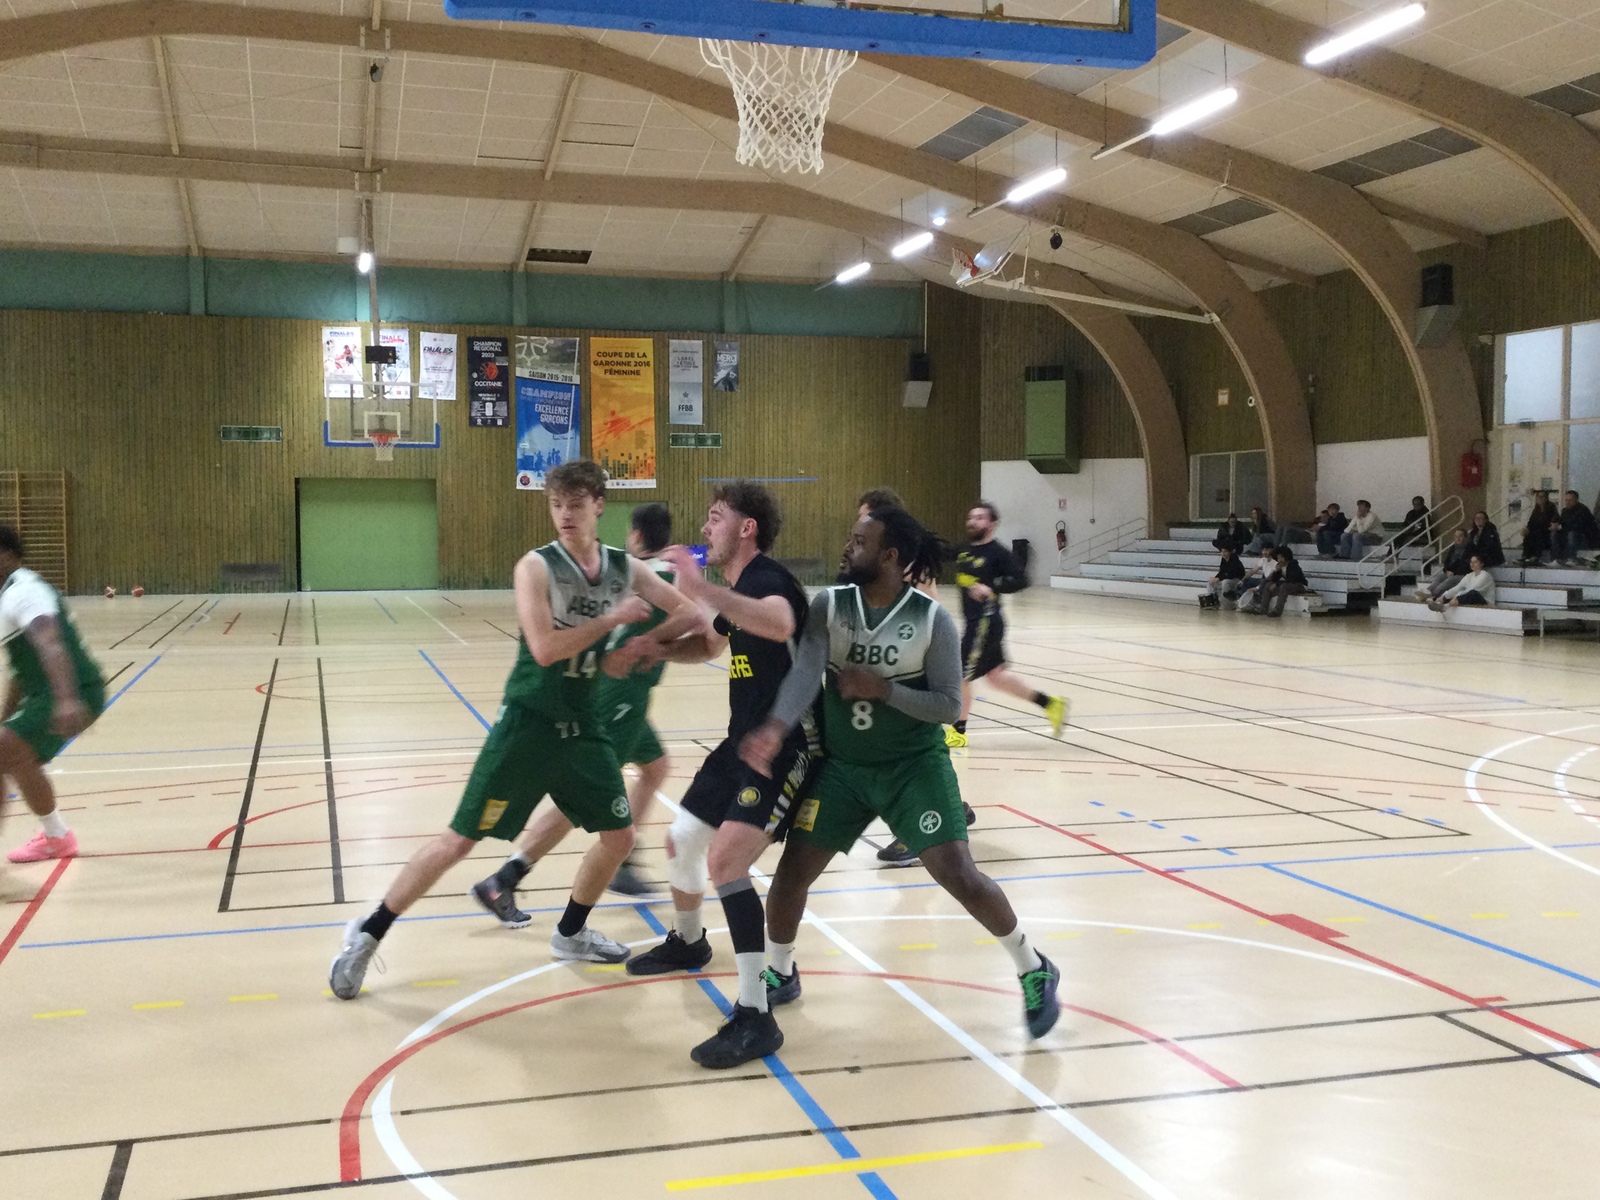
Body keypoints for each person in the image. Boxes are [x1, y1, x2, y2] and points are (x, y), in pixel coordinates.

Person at [328, 461, 699, 999]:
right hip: (528, 723)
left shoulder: (624, 568)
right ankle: (368, 932)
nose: (565, 515)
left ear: (599, 506)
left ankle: (570, 933)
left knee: (619, 837)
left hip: (583, 726)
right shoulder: (536, 567)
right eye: (556, 504)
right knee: (459, 841)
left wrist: (647, 644)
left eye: (576, 504)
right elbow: (545, 649)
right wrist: (612, 622)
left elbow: (690, 612)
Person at [741, 505, 1062, 1044]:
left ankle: (1034, 967)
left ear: (889, 556)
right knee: (791, 874)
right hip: (844, 769)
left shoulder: (932, 621)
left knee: (960, 875)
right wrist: (775, 726)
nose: (848, 547)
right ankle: (782, 970)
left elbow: (948, 707)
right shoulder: (829, 606)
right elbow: (805, 674)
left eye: (859, 541)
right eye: (852, 537)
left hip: (913, 766)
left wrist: (883, 689)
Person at [622, 482, 821, 1071]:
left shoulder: (769, 581)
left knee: (727, 861)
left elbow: (780, 624)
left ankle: (756, 1016)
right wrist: (659, 650)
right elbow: (710, 643)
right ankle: (689, 941)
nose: (706, 529)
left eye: (715, 518)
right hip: (739, 744)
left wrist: (699, 586)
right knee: (681, 840)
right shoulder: (738, 591)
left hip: (784, 748)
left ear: (746, 528)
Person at [470, 503, 679, 921]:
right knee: (584, 796)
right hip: (618, 696)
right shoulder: (660, 575)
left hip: (627, 698)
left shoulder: (639, 572)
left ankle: (625, 861)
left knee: (655, 768)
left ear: (636, 536)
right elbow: (699, 619)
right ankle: (506, 877)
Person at [0, 525, 104, 865]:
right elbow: (21, 669)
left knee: (5, 749)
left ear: (7, 555)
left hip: (73, 688)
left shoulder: (23, 591)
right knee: (6, 752)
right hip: (47, 693)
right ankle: (57, 836)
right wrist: (5, 717)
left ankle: (57, 836)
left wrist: (66, 698)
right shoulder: (9, 593)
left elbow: (50, 643)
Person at [947, 501, 1067, 745]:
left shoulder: (998, 553)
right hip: (977, 623)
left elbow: (1022, 579)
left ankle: (958, 733)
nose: (973, 522)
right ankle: (1050, 704)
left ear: (992, 524)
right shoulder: (964, 550)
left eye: (980, 517)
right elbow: (938, 551)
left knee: (959, 675)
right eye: (971, 517)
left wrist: (991, 587)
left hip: (985, 623)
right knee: (996, 678)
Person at [1414, 529, 1472, 601]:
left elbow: (1466, 565)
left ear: (1466, 537)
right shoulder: (1453, 548)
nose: (1457, 538)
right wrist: (1447, 570)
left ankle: (1431, 595)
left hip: (1462, 574)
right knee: (1439, 578)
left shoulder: (1470, 549)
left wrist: (1454, 572)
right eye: (1456, 536)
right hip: (1451, 572)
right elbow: (1446, 562)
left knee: (1449, 580)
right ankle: (1428, 591)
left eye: (1460, 536)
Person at [1428, 555, 1495, 611]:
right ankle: (1439, 602)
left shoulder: (1485, 576)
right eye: (1471, 562)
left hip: (1486, 603)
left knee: (1472, 593)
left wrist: (1456, 597)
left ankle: (1445, 607)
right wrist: (1444, 596)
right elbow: (1457, 588)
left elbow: (1473, 590)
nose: (1472, 564)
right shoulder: (1469, 575)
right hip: (1470, 599)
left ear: (1482, 564)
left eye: (1475, 562)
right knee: (1455, 593)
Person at [1261, 545, 1310, 618]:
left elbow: (1292, 579)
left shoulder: (1293, 565)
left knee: (1284, 587)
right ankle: (1263, 609)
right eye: (1278, 558)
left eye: (1281, 557)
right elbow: (1274, 579)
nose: (1279, 560)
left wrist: (1277, 584)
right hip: (1290, 585)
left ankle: (1277, 611)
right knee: (1268, 585)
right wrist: (1276, 571)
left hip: (1300, 585)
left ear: (1286, 557)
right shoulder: (1280, 566)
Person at [1552, 490, 1599, 566]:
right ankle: (1556, 559)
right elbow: (1561, 522)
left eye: (1570, 500)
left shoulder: (1583, 510)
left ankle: (1572, 559)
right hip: (1572, 537)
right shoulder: (1565, 511)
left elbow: (1577, 527)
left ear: (1576, 500)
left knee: (1572, 534)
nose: (1567, 502)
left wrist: (1561, 527)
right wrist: (1555, 525)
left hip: (1586, 539)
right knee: (1554, 534)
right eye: (1566, 500)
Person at [1235, 544, 1279, 613]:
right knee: (1247, 581)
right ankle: (1240, 599)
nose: (1264, 552)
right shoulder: (1263, 559)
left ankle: (1258, 604)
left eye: (1267, 550)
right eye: (1263, 550)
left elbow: (1270, 578)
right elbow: (1253, 570)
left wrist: (1257, 588)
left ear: (1272, 550)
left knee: (1263, 583)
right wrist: (1242, 580)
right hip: (1264, 580)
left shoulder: (1276, 563)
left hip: (1270, 581)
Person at [1199, 545, 1245, 609]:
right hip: (1226, 579)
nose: (1223, 553)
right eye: (1222, 551)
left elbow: (1231, 574)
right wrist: (1215, 578)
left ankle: (1226, 604)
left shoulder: (1235, 560)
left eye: (1225, 551)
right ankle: (1213, 602)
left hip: (1236, 580)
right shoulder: (1223, 560)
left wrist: (1219, 578)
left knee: (1225, 582)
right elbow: (1221, 572)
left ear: (1229, 552)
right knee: (1210, 583)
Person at [1520, 492, 1558, 564]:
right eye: (1538, 497)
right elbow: (1531, 522)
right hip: (1536, 531)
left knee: (1538, 534)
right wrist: (1527, 529)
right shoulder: (1536, 509)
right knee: (1528, 535)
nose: (1540, 499)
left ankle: (1536, 556)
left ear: (1546, 498)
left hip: (1546, 532)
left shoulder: (1551, 507)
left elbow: (1554, 519)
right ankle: (1525, 556)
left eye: (1542, 497)